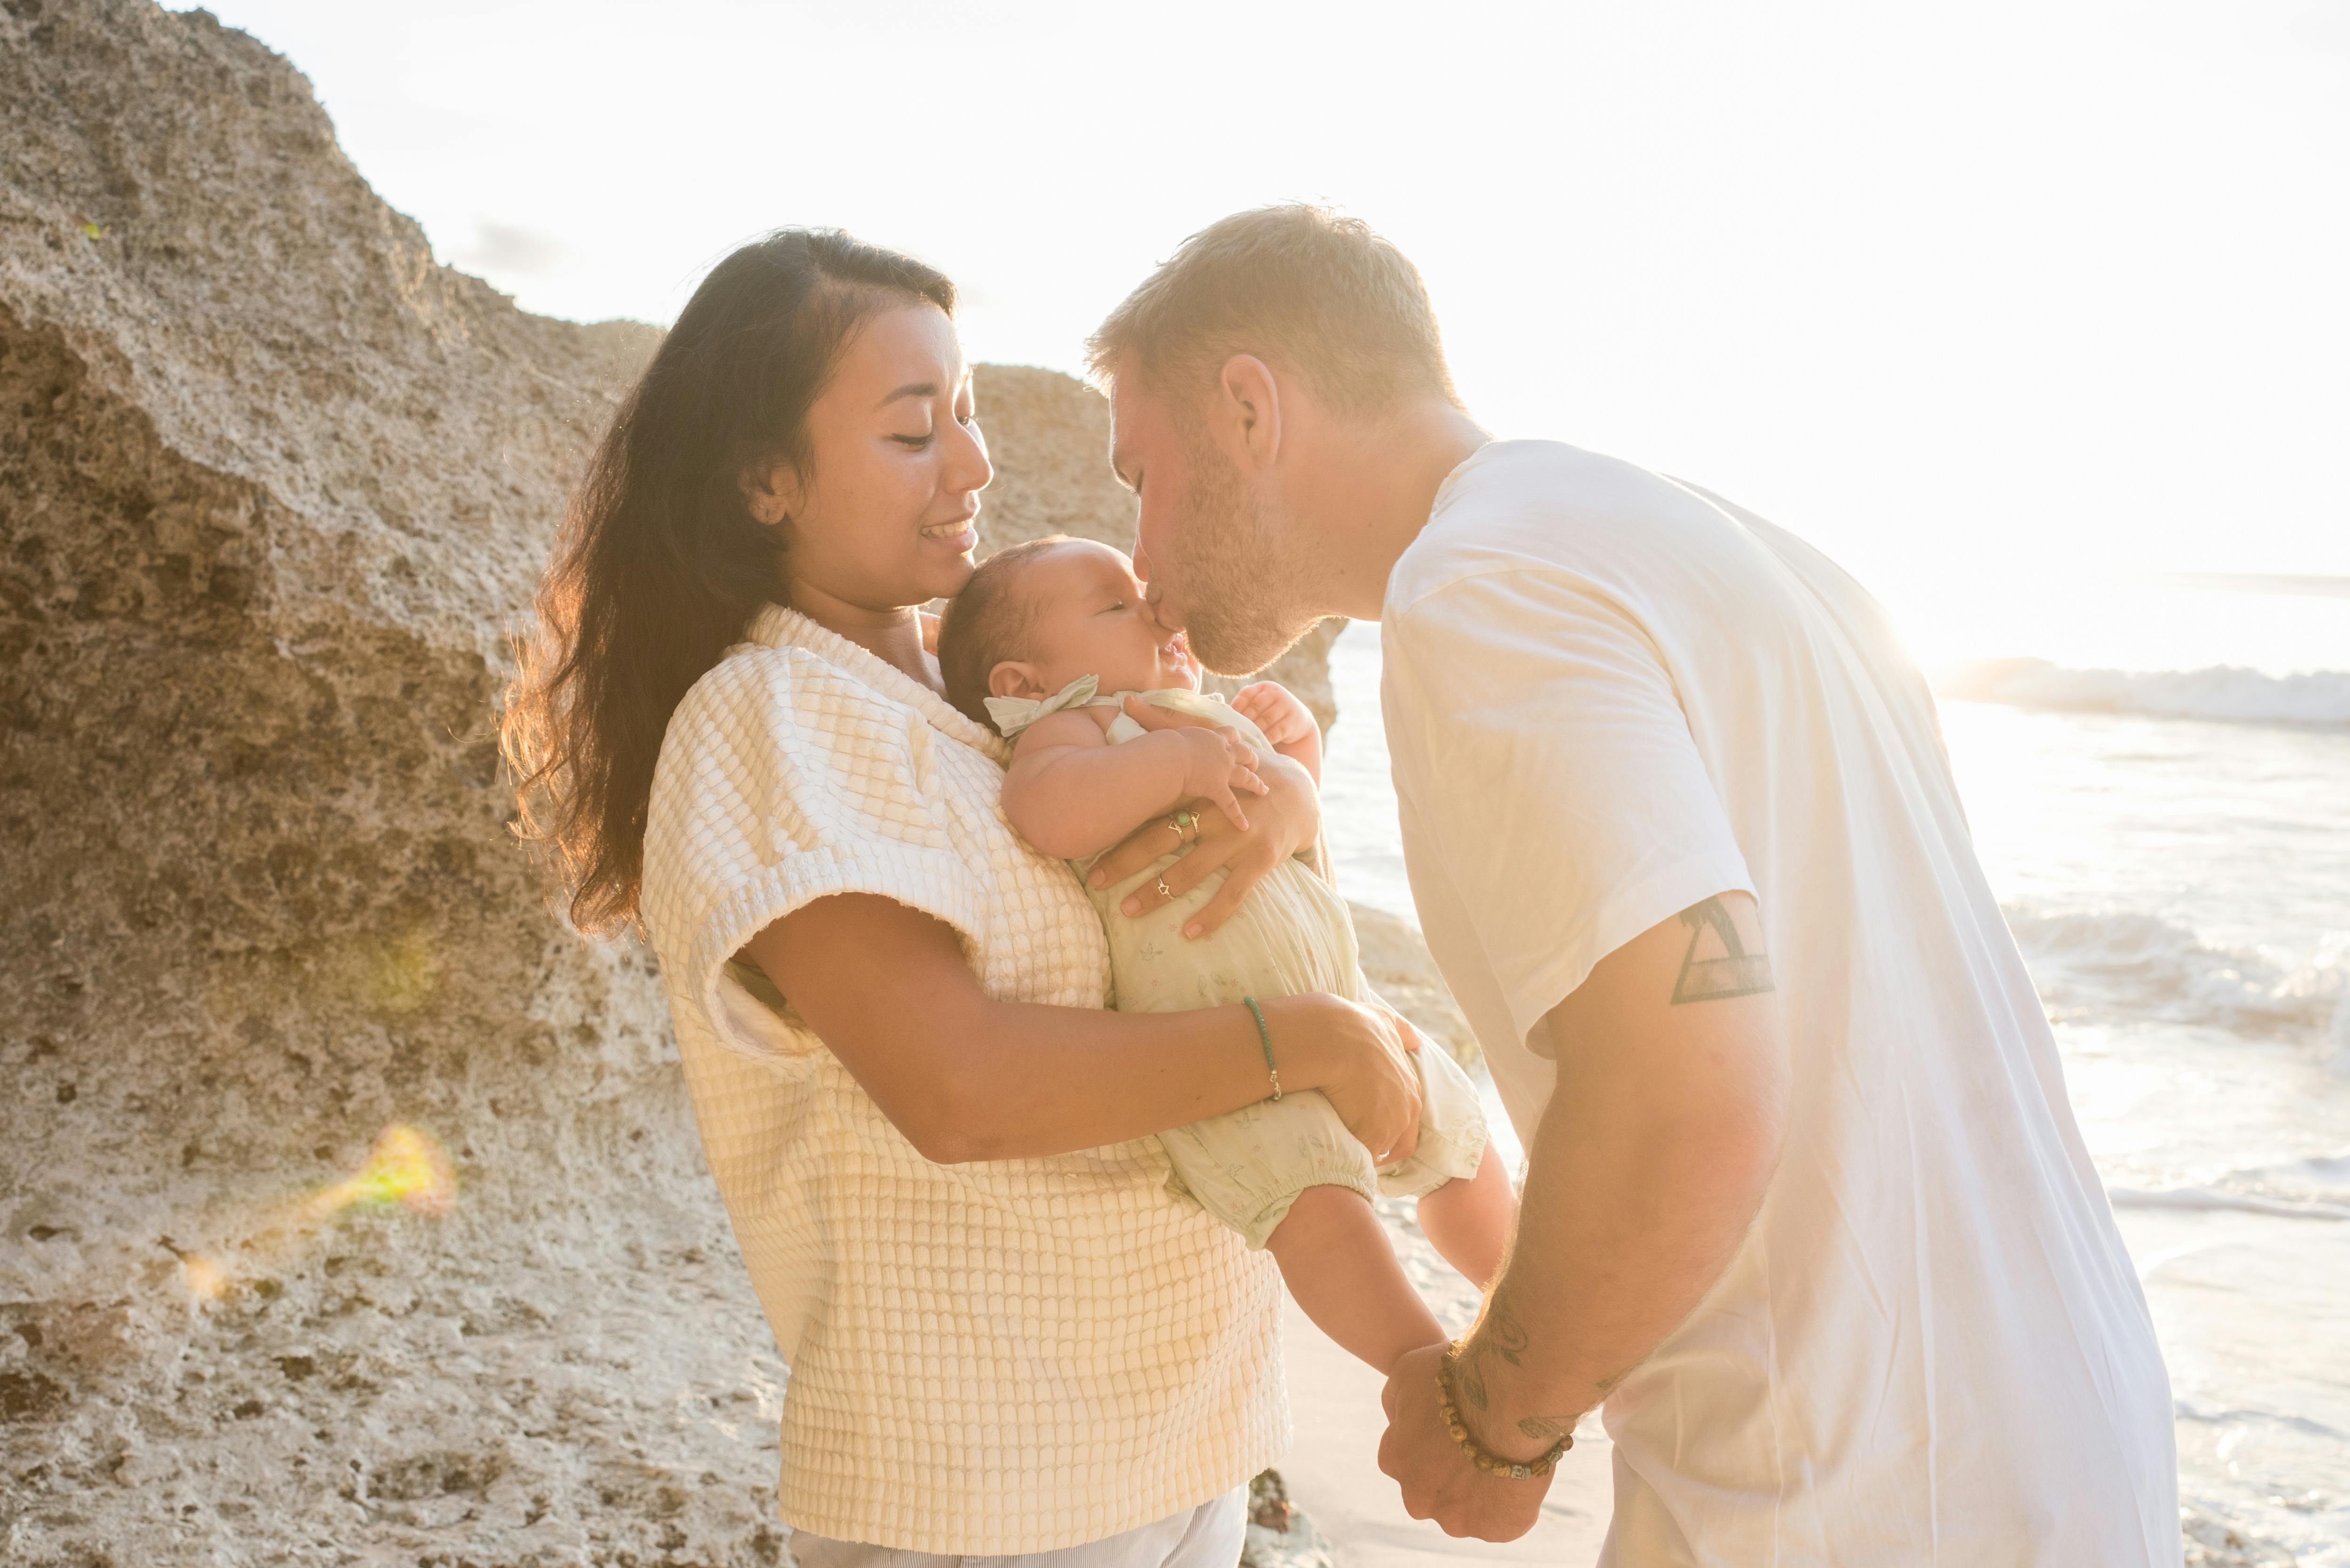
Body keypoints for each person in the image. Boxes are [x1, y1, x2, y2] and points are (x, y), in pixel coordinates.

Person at [1084, 204, 2181, 1564]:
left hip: (1841, 1493)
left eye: (1143, 475)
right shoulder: (1761, 559)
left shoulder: (1482, 586)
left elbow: (1692, 1092)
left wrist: (1498, 1416)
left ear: (1250, 409)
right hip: (2076, 1434)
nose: (1140, 551)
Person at [500, 227, 1434, 1565]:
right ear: (764, 480)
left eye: (971, 414)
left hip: (1183, 1443)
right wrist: (1310, 1048)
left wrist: (1286, 803)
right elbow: (963, 1089)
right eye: (910, 432)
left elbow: (1209, 908)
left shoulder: (998, 703)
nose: (975, 464)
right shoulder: (769, 715)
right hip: (990, 1499)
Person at [935, 535, 1516, 1376]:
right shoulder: (1075, 727)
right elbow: (1045, 814)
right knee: (1317, 1207)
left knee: (1460, 1139)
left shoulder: (1204, 714)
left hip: (1345, 1000)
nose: (1158, 616)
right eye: (1116, 608)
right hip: (1234, 1043)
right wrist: (1169, 762)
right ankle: (1425, 1363)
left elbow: (1296, 834)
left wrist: (1300, 757)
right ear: (1023, 684)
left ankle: (1518, 1299)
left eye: (1146, 594)